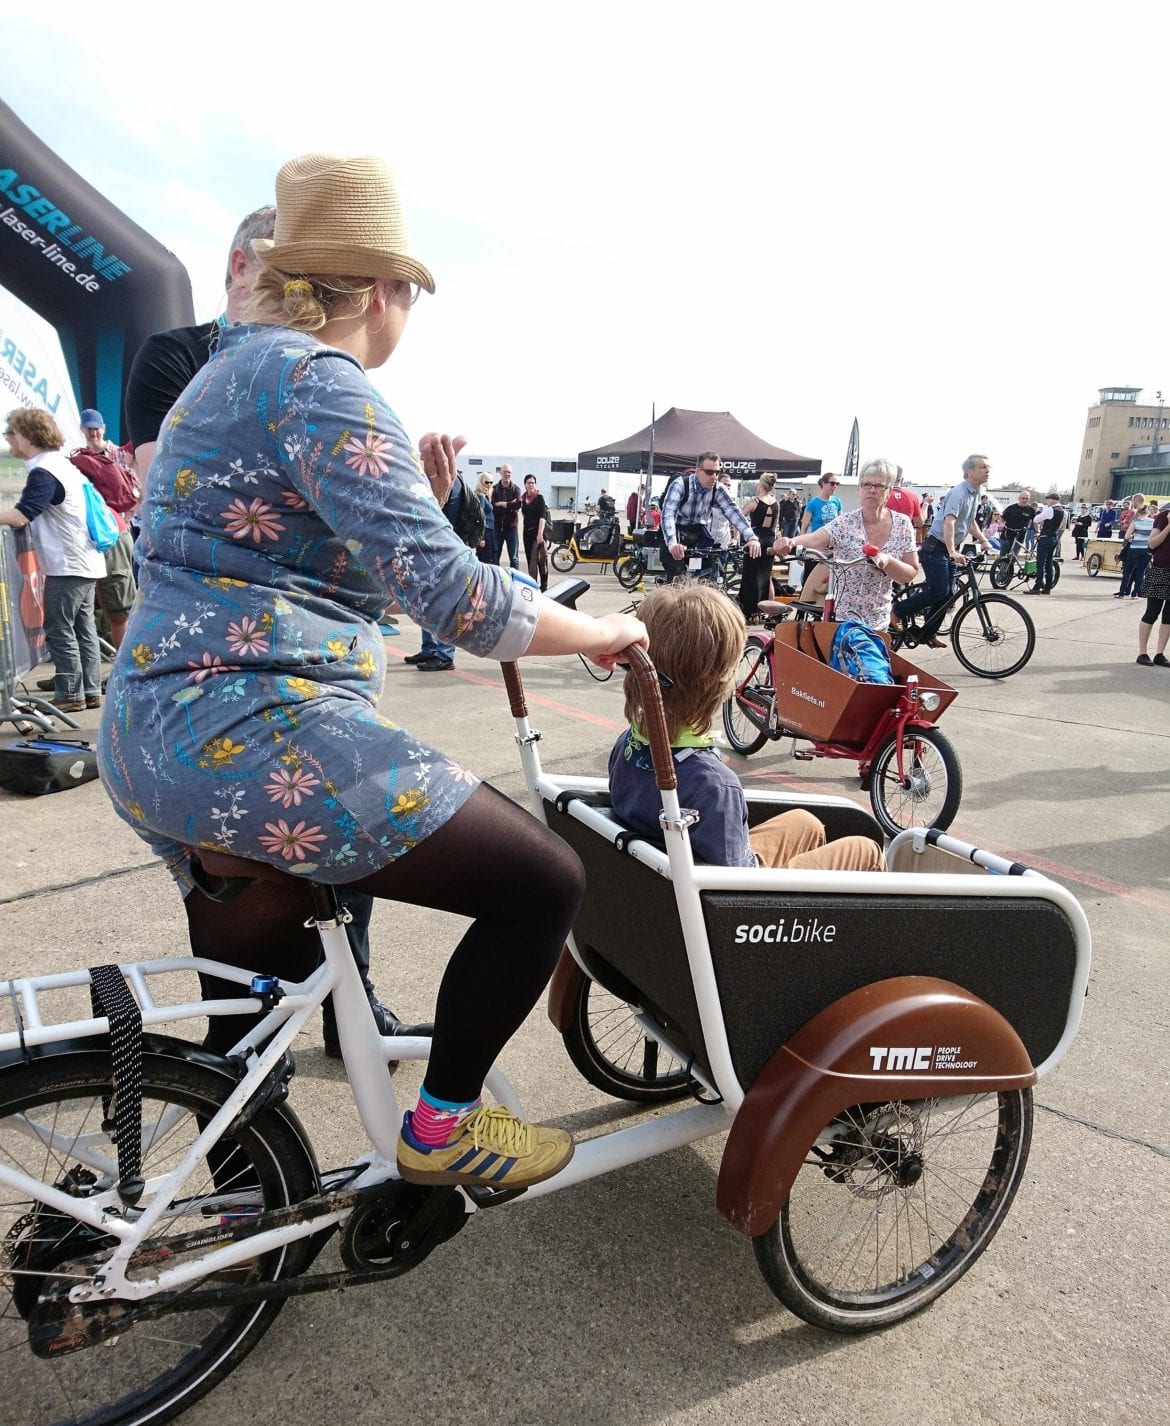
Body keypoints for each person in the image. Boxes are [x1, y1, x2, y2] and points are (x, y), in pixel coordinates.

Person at [98, 152, 648, 1191]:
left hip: (156, 733)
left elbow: (305, 557)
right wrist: (604, 634)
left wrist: (421, 512)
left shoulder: (224, 370)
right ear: (384, 291)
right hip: (254, 735)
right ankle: (443, 1129)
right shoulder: (319, 379)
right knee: (544, 881)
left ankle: (237, 1211)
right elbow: (461, 603)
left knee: (262, 993)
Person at [122, 202, 392, 1060]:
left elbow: (346, 534)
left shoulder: (319, 370)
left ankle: (356, 1012)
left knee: (356, 844)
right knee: (243, 937)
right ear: (240, 263)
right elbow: (164, 483)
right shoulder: (189, 359)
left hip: (305, 682)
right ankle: (241, 1104)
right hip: (223, 684)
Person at [609, 582, 884, 872]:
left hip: (670, 867)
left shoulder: (627, 745)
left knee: (807, 823)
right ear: (717, 683)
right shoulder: (714, 786)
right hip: (740, 901)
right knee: (865, 850)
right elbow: (734, 891)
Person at [2, 407, 105, 712]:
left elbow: (22, 516)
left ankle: (70, 694)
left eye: (12, 432)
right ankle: (88, 691)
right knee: (83, 629)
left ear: (29, 436)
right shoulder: (62, 465)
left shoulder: (44, 471)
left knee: (60, 628)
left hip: (68, 564)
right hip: (85, 561)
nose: (8, 438)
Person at [774, 458, 919, 632]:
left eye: (879, 486)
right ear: (859, 489)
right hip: (844, 618)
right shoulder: (845, 522)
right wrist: (791, 541)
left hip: (879, 620)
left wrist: (887, 561)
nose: (872, 490)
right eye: (866, 484)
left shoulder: (902, 524)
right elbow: (814, 539)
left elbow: (909, 573)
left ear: (888, 491)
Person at [67, 408, 140, 650]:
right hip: (96, 538)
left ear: (103, 428)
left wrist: (123, 519)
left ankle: (120, 671)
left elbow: (136, 493)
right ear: (82, 429)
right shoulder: (78, 458)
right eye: (89, 427)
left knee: (119, 608)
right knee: (99, 607)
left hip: (114, 535)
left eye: (96, 427)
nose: (94, 431)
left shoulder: (117, 455)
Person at [894, 454, 994, 625]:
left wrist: (984, 540)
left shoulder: (975, 493)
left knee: (948, 594)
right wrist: (952, 551)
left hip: (947, 548)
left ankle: (928, 632)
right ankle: (896, 611)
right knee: (939, 591)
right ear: (970, 471)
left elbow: (969, 522)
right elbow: (950, 522)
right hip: (936, 547)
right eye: (982, 467)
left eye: (988, 467)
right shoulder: (959, 493)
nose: (987, 471)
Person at [659, 452, 760, 582]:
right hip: (675, 531)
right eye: (709, 472)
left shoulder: (718, 489)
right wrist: (672, 544)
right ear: (698, 471)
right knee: (679, 578)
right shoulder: (680, 485)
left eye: (717, 472)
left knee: (710, 577)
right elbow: (668, 515)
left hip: (697, 533)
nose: (714, 477)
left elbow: (734, 512)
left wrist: (751, 537)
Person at [738, 474, 779, 621]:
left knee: (750, 576)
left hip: (755, 539)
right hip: (770, 539)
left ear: (761, 485)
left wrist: (737, 537)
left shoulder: (754, 502)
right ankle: (768, 609)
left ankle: (751, 611)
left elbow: (738, 518)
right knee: (765, 577)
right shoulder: (776, 503)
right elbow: (775, 526)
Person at [1135, 503, 1170, 665]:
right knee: (1152, 613)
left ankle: (1160, 653)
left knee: (1169, 616)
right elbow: (1152, 544)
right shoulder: (1163, 518)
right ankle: (1142, 652)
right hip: (1160, 570)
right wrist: (1169, 526)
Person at [1029, 492, 1065, 595]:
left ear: (1053, 500)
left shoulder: (1050, 510)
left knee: (1040, 563)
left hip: (1045, 537)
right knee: (1049, 563)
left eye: (1048, 499)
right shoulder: (1061, 510)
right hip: (1053, 537)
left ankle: (1037, 587)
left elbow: (1036, 519)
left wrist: (1042, 514)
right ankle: (1047, 587)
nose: (1047, 501)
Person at [1118, 499, 1154, 599]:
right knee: (1141, 571)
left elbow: (1127, 536)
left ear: (1138, 512)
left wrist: (1131, 539)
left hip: (1134, 548)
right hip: (1146, 549)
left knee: (1128, 571)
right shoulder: (1153, 522)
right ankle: (1135, 593)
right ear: (1147, 512)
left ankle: (1122, 593)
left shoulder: (1135, 522)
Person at [521, 473, 549, 591]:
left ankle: (544, 587)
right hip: (527, 534)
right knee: (530, 561)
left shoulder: (539, 498)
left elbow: (542, 516)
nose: (531, 485)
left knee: (541, 562)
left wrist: (540, 534)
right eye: (529, 483)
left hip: (538, 534)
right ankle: (533, 586)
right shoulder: (523, 499)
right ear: (525, 485)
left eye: (533, 482)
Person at [491, 464, 522, 567]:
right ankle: (495, 581)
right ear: (500, 473)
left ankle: (514, 582)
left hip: (511, 529)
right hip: (497, 529)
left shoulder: (516, 489)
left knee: (514, 559)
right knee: (495, 557)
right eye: (505, 472)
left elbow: (517, 505)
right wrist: (510, 505)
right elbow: (493, 508)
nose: (507, 474)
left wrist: (501, 504)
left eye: (509, 472)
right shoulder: (494, 489)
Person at [884, 467, 922, 541]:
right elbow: (920, 523)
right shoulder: (913, 496)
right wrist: (926, 504)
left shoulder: (881, 495)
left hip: (883, 539)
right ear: (902, 480)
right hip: (904, 540)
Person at [998, 491, 1036, 565]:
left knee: (1012, 558)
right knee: (1003, 558)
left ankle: (1008, 573)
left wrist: (1037, 531)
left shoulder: (1030, 510)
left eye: (1026, 498)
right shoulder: (1011, 508)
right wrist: (1001, 524)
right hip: (1006, 535)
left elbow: (1035, 522)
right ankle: (1002, 573)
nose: (1024, 500)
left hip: (1019, 537)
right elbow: (1001, 519)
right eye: (1023, 498)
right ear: (1019, 498)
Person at [474, 472, 496, 563]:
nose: (489, 485)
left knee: (491, 555)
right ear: (481, 482)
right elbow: (480, 516)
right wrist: (481, 537)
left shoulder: (485, 496)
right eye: (486, 482)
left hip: (490, 529)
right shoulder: (481, 496)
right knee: (486, 558)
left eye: (491, 482)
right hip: (485, 530)